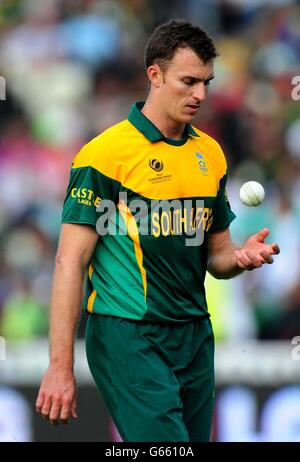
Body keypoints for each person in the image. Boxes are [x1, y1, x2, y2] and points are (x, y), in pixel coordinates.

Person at [36, 19, 280, 442]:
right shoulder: (104, 156)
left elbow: (216, 256)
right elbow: (68, 260)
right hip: (127, 334)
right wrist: (60, 367)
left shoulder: (211, 155)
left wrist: (240, 258)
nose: (200, 95)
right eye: (188, 81)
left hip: (194, 334)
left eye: (207, 82)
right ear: (155, 74)